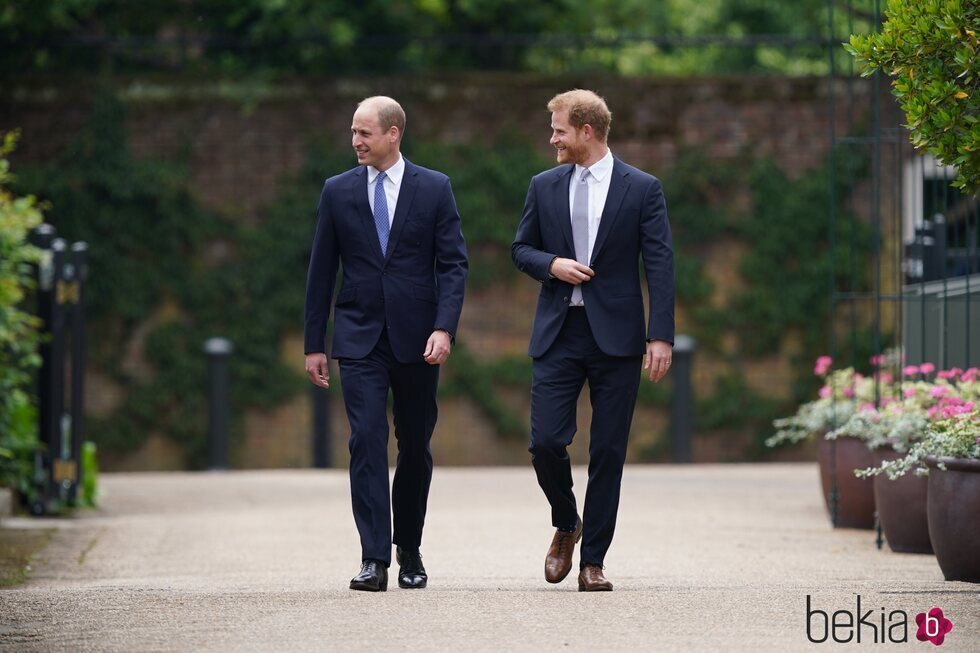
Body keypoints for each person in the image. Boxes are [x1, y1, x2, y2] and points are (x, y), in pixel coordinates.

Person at [511, 89, 674, 592]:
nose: (552, 138)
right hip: (559, 332)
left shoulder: (643, 188)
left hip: (618, 339)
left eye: (559, 129)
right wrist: (551, 264)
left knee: (608, 451)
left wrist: (660, 336)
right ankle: (567, 521)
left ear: (586, 131)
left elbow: (660, 264)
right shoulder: (543, 185)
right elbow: (521, 248)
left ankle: (594, 562)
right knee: (544, 442)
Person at [304, 96, 468, 592]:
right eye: (353, 132)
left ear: (393, 133)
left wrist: (444, 327)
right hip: (358, 338)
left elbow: (454, 265)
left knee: (415, 445)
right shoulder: (336, 192)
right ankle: (373, 558)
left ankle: (410, 549)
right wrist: (315, 343)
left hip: (418, 339)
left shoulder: (435, 188)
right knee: (366, 440)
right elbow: (320, 272)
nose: (355, 141)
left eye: (364, 132)